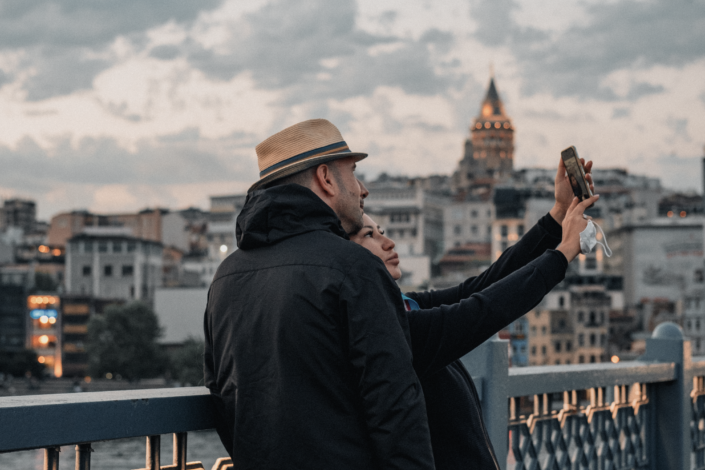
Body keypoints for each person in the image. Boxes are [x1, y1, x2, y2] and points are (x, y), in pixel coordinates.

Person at [203, 119, 436, 470]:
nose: (362, 190)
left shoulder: (226, 276)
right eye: (354, 174)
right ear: (326, 179)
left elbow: (221, 396)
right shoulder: (352, 266)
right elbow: (394, 404)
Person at [349, 159, 597, 469]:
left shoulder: (404, 306)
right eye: (369, 236)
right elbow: (481, 311)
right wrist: (564, 252)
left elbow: (483, 286)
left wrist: (557, 216)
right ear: (348, 255)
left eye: (382, 231)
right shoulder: (388, 327)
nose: (389, 242)